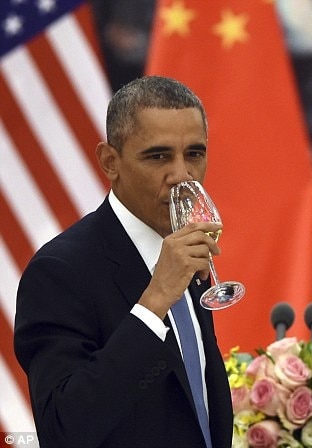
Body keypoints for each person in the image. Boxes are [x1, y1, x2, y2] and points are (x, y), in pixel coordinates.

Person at [14, 76, 232, 448]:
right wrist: (154, 301)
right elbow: (62, 429)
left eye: (194, 153)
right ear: (110, 161)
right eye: (158, 156)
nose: (182, 175)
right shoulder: (59, 271)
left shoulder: (186, 252)